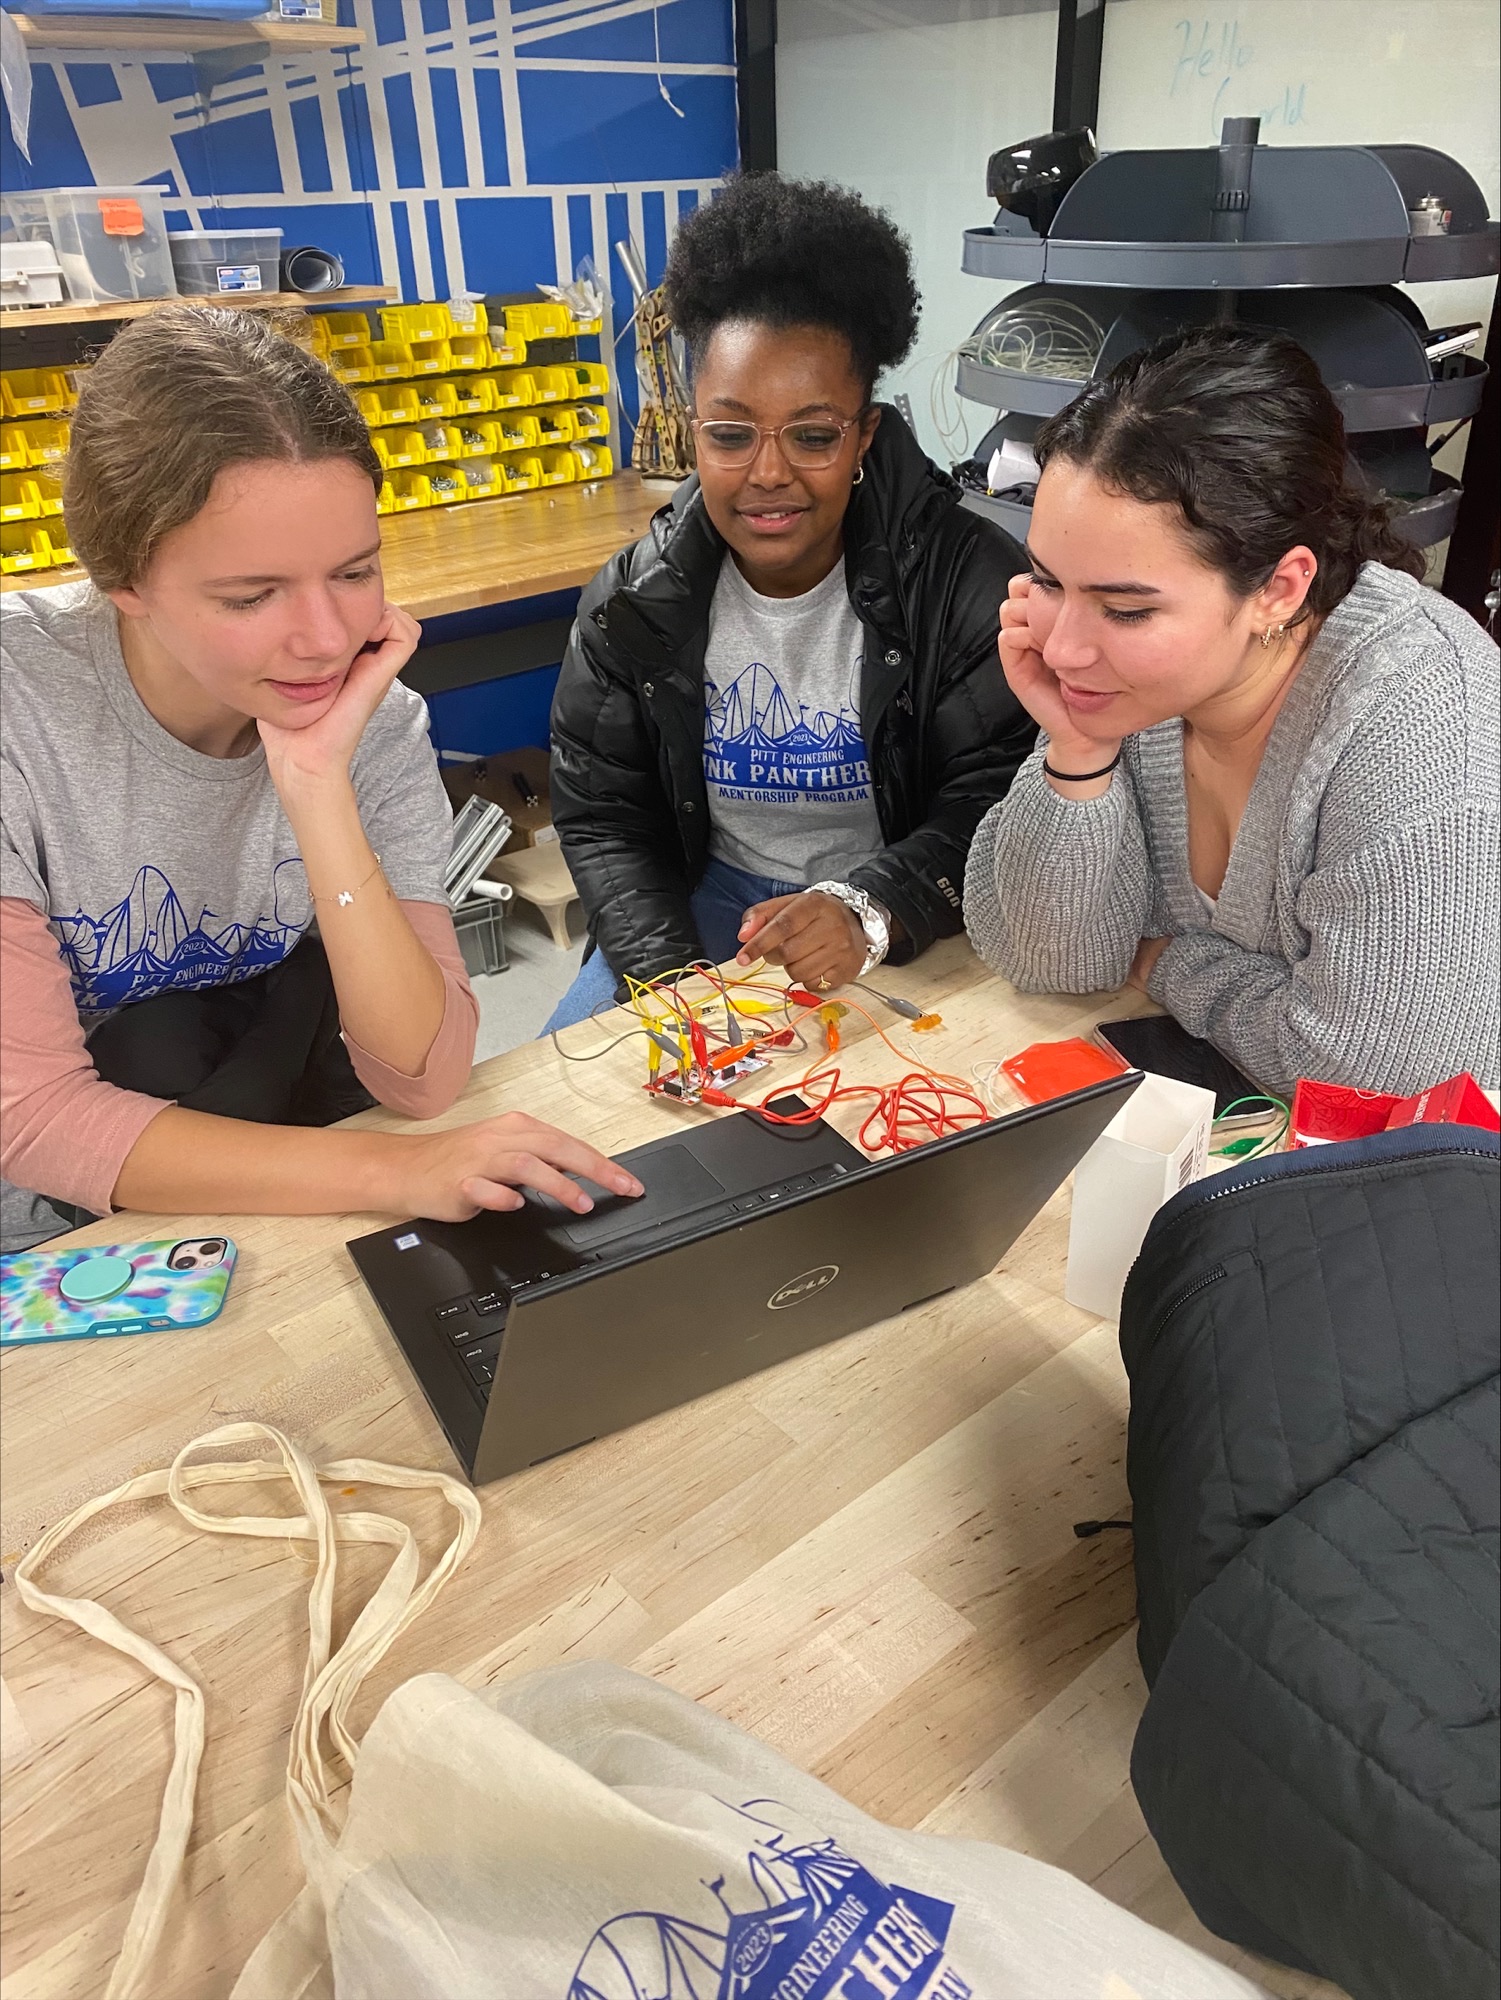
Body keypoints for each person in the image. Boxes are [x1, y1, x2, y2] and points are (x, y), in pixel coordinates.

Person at [0, 306, 640, 1251]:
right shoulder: (23, 707)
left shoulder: (371, 723)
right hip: (70, 1227)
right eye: (251, 596)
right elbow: (38, 1119)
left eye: (354, 571)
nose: (328, 640)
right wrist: (393, 1171)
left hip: (270, 1149)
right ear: (120, 578)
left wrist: (317, 788)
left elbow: (419, 1078)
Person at [545, 173, 1035, 1028]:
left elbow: (997, 799)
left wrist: (869, 907)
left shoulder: (969, 584)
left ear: (864, 435)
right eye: (730, 434)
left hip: (911, 904)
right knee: (580, 1127)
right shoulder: (631, 602)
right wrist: (676, 990)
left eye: (812, 435)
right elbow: (604, 820)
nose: (768, 474)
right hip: (704, 901)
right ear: (692, 426)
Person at [964, 324, 1500, 1099]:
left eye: (1123, 610)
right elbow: (1052, 961)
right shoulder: (1138, 685)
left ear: (1279, 590)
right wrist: (1077, 750)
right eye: (1047, 580)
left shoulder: (1419, 724)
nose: (1064, 649)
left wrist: (1168, 961)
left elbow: (1378, 1078)